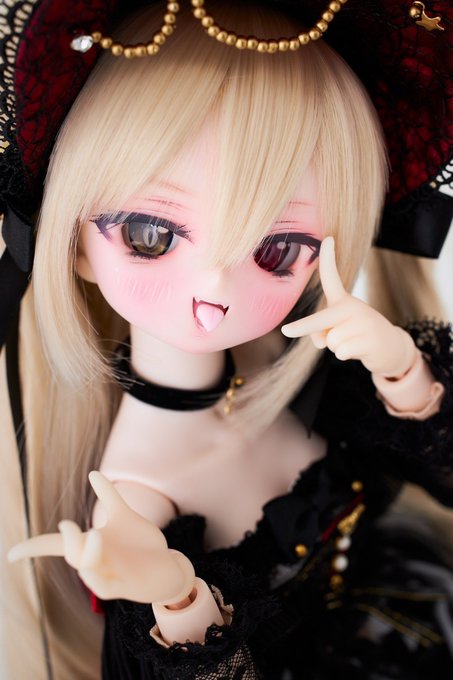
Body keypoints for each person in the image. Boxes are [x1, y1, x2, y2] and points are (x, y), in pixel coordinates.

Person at [1, 1, 452, 678]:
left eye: (276, 248)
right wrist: (175, 597)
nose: (213, 286)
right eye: (150, 235)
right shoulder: (139, 493)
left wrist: (401, 374)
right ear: (76, 246)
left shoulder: (298, 374)